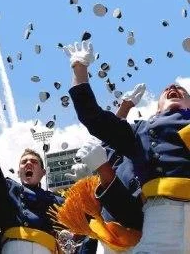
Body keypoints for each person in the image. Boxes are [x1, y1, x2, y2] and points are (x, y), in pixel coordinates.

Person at [64, 40, 190, 253]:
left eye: (182, 90)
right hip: (160, 221)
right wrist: (79, 68)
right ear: (157, 110)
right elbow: (93, 117)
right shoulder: (139, 131)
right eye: (167, 89)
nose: (173, 88)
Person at [0, 83, 63, 254]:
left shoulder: (56, 201)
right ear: (18, 172)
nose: (28, 163)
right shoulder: (8, 190)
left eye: (33, 161)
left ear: (43, 173)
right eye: (24, 162)